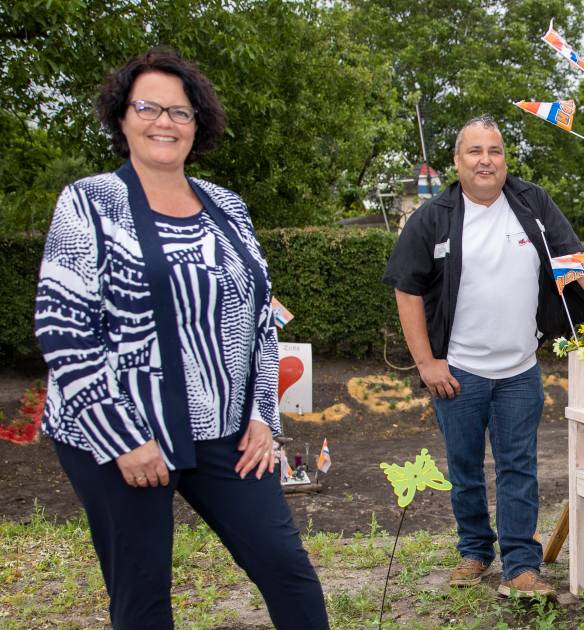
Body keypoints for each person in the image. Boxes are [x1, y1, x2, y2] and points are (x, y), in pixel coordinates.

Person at [34, 48, 328, 629]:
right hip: (123, 434)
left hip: (226, 431)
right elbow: (63, 328)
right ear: (123, 117)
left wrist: (264, 417)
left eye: (181, 111)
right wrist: (122, 438)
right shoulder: (89, 203)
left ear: (199, 124)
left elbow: (259, 320)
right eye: (148, 107)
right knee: (142, 597)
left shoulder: (227, 207)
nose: (164, 122)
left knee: (286, 567)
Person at [383, 116, 584, 599]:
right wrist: (426, 363)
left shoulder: (532, 202)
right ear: (457, 162)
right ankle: (475, 550)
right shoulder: (433, 217)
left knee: (519, 465)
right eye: (474, 151)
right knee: (465, 466)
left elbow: (571, 259)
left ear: (504, 159)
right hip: (458, 370)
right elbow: (407, 289)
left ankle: (520, 563)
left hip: (520, 369)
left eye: (494, 151)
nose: (485, 160)